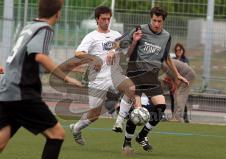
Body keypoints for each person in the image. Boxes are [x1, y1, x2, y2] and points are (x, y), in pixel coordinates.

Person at [0, 0, 81, 158]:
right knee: (56, 134)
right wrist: (66, 78)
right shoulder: (45, 29)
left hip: (7, 90)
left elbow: (25, 57)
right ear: (58, 13)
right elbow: (40, 57)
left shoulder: (29, 26)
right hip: (22, 92)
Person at [112, 7, 189, 154]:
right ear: (151, 18)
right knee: (137, 110)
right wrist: (112, 51)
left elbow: (166, 58)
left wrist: (177, 74)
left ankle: (142, 136)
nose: (156, 24)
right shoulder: (140, 29)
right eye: (154, 20)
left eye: (159, 21)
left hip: (152, 76)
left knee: (160, 107)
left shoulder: (166, 36)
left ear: (163, 21)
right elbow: (121, 42)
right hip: (136, 73)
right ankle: (127, 142)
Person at [69, 6, 137, 145]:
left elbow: (123, 49)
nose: (106, 21)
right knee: (94, 115)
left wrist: (133, 41)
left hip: (114, 76)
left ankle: (118, 122)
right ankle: (76, 128)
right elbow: (78, 53)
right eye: (103, 19)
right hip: (97, 80)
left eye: (108, 19)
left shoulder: (115, 34)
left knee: (131, 88)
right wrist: (94, 58)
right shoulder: (91, 36)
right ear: (97, 20)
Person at [170, 43, 190, 122]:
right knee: (173, 100)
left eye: (179, 50)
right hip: (173, 82)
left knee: (181, 101)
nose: (178, 51)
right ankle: (174, 116)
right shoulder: (173, 59)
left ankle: (185, 117)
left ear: (182, 50)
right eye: (176, 50)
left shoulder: (185, 60)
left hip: (182, 83)